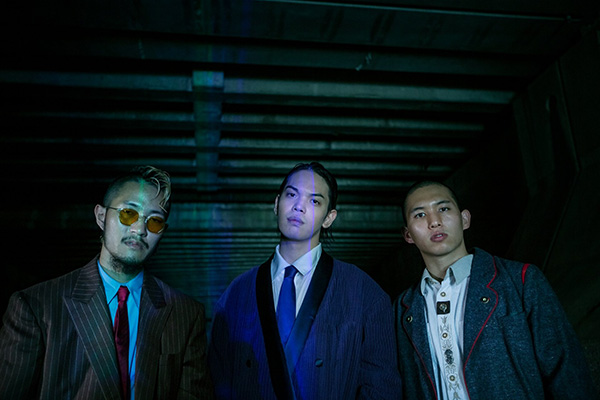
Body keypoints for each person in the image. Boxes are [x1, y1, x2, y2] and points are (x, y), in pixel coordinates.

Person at [0, 165, 213, 399]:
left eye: (154, 221)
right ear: (101, 217)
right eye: (128, 213)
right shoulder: (37, 306)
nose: (139, 229)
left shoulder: (185, 314)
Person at [208, 162, 401, 399]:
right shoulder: (236, 293)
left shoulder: (365, 292)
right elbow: (216, 381)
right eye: (291, 195)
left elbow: (382, 387)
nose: (299, 206)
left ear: (329, 218)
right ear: (276, 204)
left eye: (314, 201)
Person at [394, 180, 597, 399]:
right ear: (408, 235)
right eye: (420, 215)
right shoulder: (404, 307)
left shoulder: (520, 280)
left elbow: (567, 373)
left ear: (465, 219)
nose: (434, 222)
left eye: (443, 209)